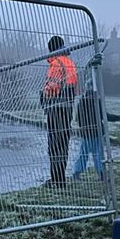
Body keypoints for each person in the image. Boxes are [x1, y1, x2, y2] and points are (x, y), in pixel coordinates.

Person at [40, 35, 78, 188]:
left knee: (54, 145)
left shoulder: (56, 64)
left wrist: (43, 94)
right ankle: (60, 179)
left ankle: (56, 181)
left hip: (55, 108)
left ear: (51, 49)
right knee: (63, 144)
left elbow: (52, 87)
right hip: (67, 107)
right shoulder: (70, 63)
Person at [73, 86, 105, 182]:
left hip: (86, 133)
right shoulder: (97, 102)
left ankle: (76, 173)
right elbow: (103, 115)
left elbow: (77, 118)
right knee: (98, 154)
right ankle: (101, 174)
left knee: (83, 154)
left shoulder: (81, 102)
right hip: (97, 132)